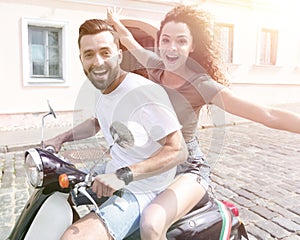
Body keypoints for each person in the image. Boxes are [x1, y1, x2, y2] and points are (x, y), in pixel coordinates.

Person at [107, 5, 300, 239]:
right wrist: (115, 20)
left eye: (181, 41)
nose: (172, 48)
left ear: (192, 46)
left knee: (151, 222)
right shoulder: (154, 65)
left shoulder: (201, 84)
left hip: (187, 169)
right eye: (166, 40)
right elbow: (128, 39)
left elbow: (268, 114)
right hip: (155, 163)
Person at [44, 18, 188, 240]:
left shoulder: (142, 92)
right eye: (89, 54)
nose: (98, 62)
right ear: (81, 59)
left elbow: (178, 150)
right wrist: (60, 138)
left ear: (119, 55)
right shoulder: (103, 86)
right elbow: (97, 122)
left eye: (105, 52)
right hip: (113, 168)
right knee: (56, 192)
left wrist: (123, 175)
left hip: (144, 186)